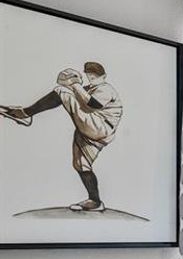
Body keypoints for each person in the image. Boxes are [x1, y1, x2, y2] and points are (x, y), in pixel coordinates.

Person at [0, 62, 123, 211]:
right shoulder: (88, 89)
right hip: (89, 130)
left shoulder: (106, 88)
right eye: (89, 75)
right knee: (81, 164)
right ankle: (95, 201)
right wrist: (73, 84)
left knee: (60, 91)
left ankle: (26, 114)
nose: (91, 78)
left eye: (95, 76)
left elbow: (94, 104)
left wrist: (74, 84)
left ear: (103, 76)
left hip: (100, 126)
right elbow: (79, 98)